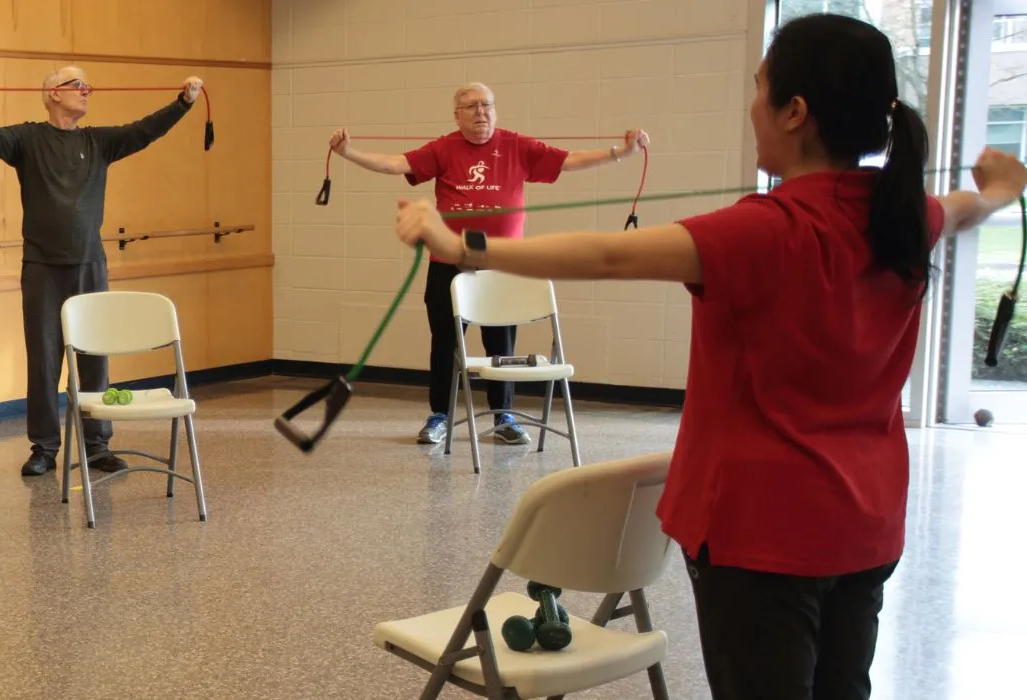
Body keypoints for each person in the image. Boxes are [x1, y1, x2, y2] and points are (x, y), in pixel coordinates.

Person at [392, 14, 1026, 698]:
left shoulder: (764, 229)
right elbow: (967, 207)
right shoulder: (909, 215)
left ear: (795, 112)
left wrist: (460, 247)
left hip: (760, 535)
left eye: (759, 88)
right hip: (866, 527)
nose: (751, 105)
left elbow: (606, 256)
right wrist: (1000, 189)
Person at [330, 84, 649, 447]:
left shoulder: (516, 145)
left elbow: (569, 160)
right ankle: (440, 416)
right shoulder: (443, 148)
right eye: (471, 106)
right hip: (449, 263)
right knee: (446, 342)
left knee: (502, 344)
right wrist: (348, 152)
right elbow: (394, 164)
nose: (481, 112)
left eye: (487, 105)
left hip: (501, 263)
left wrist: (620, 153)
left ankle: (504, 416)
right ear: (457, 114)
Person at [0, 66, 205, 477]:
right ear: (51, 94)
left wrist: (183, 103)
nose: (85, 90)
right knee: (43, 359)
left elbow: (145, 130)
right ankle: (44, 447)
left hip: (89, 265)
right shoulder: (28, 139)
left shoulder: (98, 141)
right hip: (43, 266)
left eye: (87, 85)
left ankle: (97, 445)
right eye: (75, 84)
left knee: (95, 358)